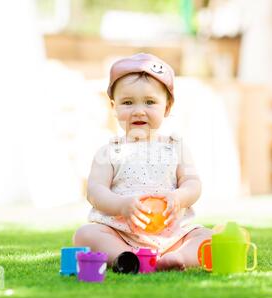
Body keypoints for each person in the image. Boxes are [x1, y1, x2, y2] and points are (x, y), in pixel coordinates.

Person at [73, 53, 213, 270]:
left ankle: (178, 257)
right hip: (122, 233)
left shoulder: (176, 148)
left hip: (172, 235)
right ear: (114, 107)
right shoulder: (109, 152)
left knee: (206, 236)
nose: (139, 110)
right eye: (127, 102)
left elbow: (193, 184)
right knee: (85, 235)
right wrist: (121, 205)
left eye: (150, 102)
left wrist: (178, 197)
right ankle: (127, 256)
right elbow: (95, 191)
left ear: (166, 108)